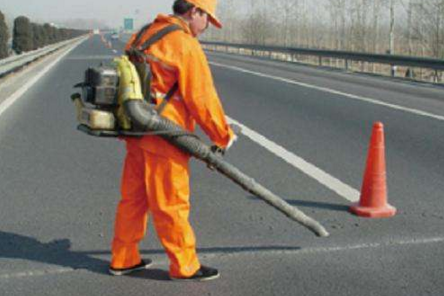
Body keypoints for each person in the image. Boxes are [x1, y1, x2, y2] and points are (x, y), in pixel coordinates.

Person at [109, 0, 236, 281]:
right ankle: (185, 266)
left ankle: (123, 257)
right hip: (166, 136)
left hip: (136, 130)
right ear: (195, 12)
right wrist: (222, 136)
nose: (206, 28)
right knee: (171, 203)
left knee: (133, 199)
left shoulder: (143, 34)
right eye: (207, 20)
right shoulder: (184, 44)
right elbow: (201, 98)